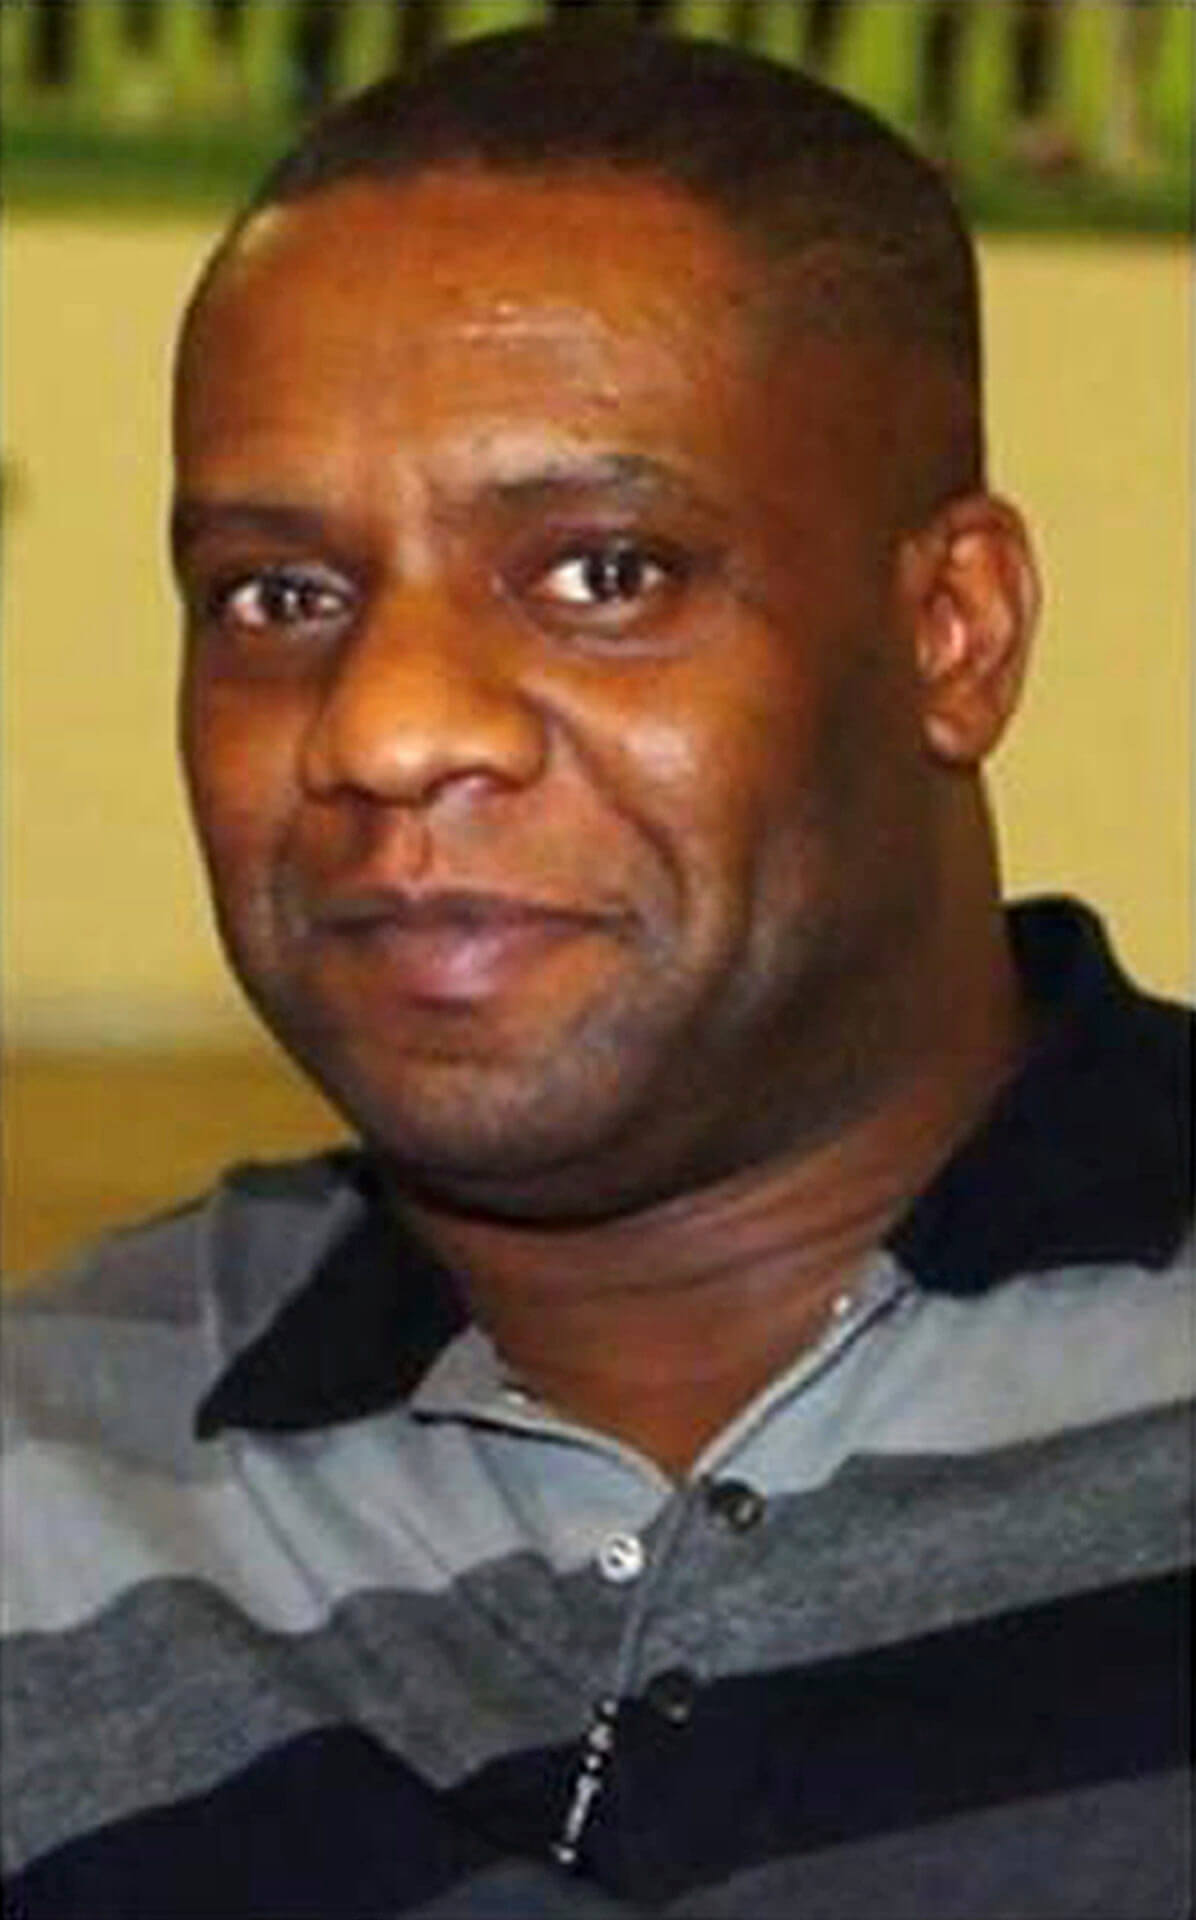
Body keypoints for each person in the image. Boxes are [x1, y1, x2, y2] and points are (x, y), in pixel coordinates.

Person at [3, 25, 1190, 1920]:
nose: (385, 730)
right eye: (278, 597)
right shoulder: (47, 1479)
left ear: (953, 633)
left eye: (603, 575)